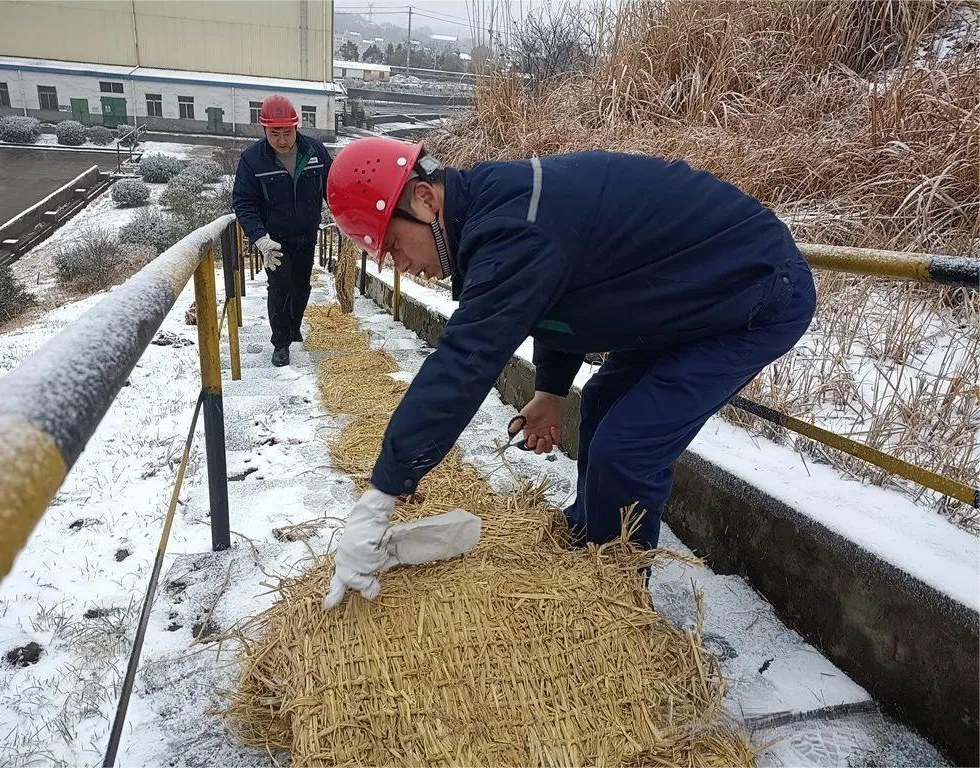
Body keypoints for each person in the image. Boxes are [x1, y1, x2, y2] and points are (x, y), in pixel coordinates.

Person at [322, 137, 816, 608]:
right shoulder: (501, 210)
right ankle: (588, 538)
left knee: (626, 447)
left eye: (395, 245)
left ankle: (617, 599)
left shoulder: (512, 228)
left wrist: (382, 494)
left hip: (754, 294)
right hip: (682, 296)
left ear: (426, 200)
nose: (402, 266)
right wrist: (552, 391)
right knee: (600, 404)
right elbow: (562, 298)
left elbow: (463, 364)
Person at [233, 94, 332, 367]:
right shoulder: (253, 160)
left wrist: (347, 219)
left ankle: (293, 326)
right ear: (263, 129)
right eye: (274, 133)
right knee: (279, 287)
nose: (282, 140)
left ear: (296, 127)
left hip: (306, 236)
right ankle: (281, 343)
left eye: (287, 132)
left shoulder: (316, 153)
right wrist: (259, 238)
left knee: (301, 287)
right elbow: (243, 202)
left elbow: (333, 189)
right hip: (274, 241)